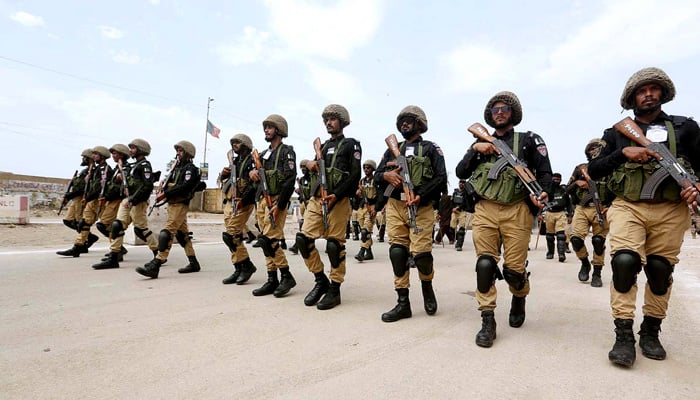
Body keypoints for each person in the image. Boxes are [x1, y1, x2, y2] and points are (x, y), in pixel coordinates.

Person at [588, 67, 700, 367]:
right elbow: (595, 171)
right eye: (641, 90)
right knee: (624, 262)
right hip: (628, 205)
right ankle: (623, 334)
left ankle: (651, 330)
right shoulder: (616, 133)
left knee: (660, 271)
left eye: (653, 88)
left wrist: (696, 186)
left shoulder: (685, 128)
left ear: (663, 93)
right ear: (632, 97)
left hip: (670, 209)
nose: (648, 93)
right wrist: (623, 154)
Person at [455, 91, 552, 347]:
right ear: (489, 115)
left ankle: (519, 294)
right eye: (495, 109)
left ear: (513, 114)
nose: (499, 112)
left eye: (505, 109)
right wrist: (476, 149)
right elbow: (460, 172)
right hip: (485, 209)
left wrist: (542, 193)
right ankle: (488, 319)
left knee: (513, 271)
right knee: (485, 265)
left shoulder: (529, 140)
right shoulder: (481, 141)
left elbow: (544, 173)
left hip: (517, 209)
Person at [375, 105, 447, 322]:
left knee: (422, 255)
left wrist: (421, 195)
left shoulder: (431, 148)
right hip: (396, 205)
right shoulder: (392, 149)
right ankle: (403, 302)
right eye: (402, 121)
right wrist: (386, 175)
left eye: (409, 120)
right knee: (397, 253)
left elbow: (441, 177)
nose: (404, 124)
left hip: (421, 207)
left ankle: (427, 287)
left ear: (419, 124)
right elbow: (377, 174)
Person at [296, 104, 361, 310]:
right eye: (326, 119)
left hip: (339, 200)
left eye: (333, 119)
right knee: (303, 239)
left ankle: (334, 289)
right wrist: (309, 163)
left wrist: (337, 195)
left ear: (342, 122)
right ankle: (319, 279)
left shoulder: (351, 144)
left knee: (334, 246)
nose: (328, 122)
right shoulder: (322, 147)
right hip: (318, 199)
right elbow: (309, 167)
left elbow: (355, 174)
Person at [136, 140, 204, 279]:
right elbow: (172, 184)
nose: (178, 154)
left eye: (180, 151)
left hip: (180, 204)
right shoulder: (176, 168)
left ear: (188, 153)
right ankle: (193, 262)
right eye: (177, 151)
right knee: (182, 234)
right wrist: (164, 185)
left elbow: (185, 186)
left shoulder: (190, 169)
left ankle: (157, 263)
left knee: (167, 233)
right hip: (172, 204)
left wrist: (166, 193)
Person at [249, 114, 297, 297]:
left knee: (269, 240)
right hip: (262, 201)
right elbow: (255, 177)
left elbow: (290, 179)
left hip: (276, 201)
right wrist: (252, 173)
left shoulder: (287, 152)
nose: (266, 130)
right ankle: (272, 278)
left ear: (278, 129)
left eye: (269, 127)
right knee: (266, 241)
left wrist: (281, 204)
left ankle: (286, 275)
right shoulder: (262, 154)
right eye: (265, 127)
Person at [565, 139, 613, 287]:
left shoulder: (612, 167)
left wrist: (611, 206)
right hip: (582, 208)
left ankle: (597, 273)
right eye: (591, 149)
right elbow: (566, 189)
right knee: (576, 239)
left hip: (602, 209)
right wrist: (577, 183)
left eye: (597, 148)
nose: (594, 151)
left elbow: (618, 191)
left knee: (598, 242)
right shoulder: (581, 169)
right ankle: (585, 263)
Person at [57, 146, 112, 257]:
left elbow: (98, 188)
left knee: (105, 225)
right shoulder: (95, 169)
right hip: (91, 200)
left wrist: (86, 197)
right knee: (84, 223)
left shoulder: (104, 169)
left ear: (102, 156)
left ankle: (118, 247)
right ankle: (78, 246)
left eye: (96, 154)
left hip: (97, 200)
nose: (93, 156)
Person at [91, 143, 138, 269]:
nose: (113, 156)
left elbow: (125, 185)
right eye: (112, 153)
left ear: (122, 154)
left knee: (106, 225)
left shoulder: (126, 167)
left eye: (115, 153)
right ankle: (117, 251)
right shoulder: (117, 167)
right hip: (110, 200)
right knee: (111, 226)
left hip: (118, 200)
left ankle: (117, 250)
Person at [220, 134, 258, 285]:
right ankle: (238, 267)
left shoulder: (252, 160)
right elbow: (227, 182)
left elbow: (254, 185)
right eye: (233, 143)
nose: (234, 145)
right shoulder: (235, 161)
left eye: (237, 143)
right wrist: (223, 175)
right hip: (230, 201)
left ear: (245, 144)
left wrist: (243, 200)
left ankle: (247, 265)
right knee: (230, 237)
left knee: (231, 235)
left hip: (243, 202)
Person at [59, 148, 93, 236]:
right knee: (68, 220)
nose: (83, 159)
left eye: (84, 157)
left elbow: (83, 189)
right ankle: (90, 237)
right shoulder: (84, 171)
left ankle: (83, 240)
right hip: (75, 198)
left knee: (80, 221)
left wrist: (69, 196)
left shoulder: (92, 172)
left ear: (89, 158)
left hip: (81, 198)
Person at [544, 173, 573, 262]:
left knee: (561, 235)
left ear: (560, 180)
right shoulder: (547, 190)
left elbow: (569, 204)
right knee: (549, 236)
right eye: (554, 179)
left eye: (557, 180)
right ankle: (550, 253)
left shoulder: (564, 191)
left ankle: (561, 254)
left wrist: (570, 215)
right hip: (549, 213)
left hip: (560, 213)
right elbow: (541, 201)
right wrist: (540, 214)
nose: (556, 181)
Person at [354, 159, 379, 262]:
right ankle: (369, 253)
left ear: (373, 169)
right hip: (362, 207)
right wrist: (358, 193)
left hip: (371, 207)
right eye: (364, 167)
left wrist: (376, 208)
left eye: (368, 168)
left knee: (365, 231)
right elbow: (358, 193)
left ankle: (361, 251)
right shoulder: (362, 181)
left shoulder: (376, 180)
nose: (366, 169)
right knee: (364, 231)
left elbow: (379, 195)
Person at [288, 159, 312, 255]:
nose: (303, 169)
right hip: (303, 204)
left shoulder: (313, 178)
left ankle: (297, 245)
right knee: (304, 224)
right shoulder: (302, 180)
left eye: (304, 167)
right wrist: (299, 191)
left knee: (306, 224)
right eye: (301, 167)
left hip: (311, 204)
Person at [451, 179, 472, 252]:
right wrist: (453, 208)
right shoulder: (455, 192)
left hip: (462, 212)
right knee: (452, 228)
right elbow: (451, 202)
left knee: (461, 229)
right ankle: (457, 240)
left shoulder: (466, 193)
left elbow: (466, 203)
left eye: (463, 183)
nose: (462, 184)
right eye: (461, 182)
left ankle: (459, 245)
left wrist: (458, 207)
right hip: (454, 212)